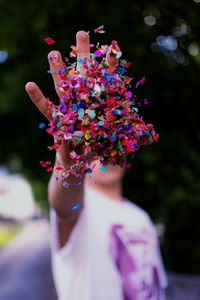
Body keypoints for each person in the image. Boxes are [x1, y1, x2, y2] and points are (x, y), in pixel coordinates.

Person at [25, 30, 168, 300]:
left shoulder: (142, 219)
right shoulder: (81, 208)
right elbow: (65, 205)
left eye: (110, 144)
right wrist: (71, 162)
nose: (101, 154)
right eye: (95, 146)